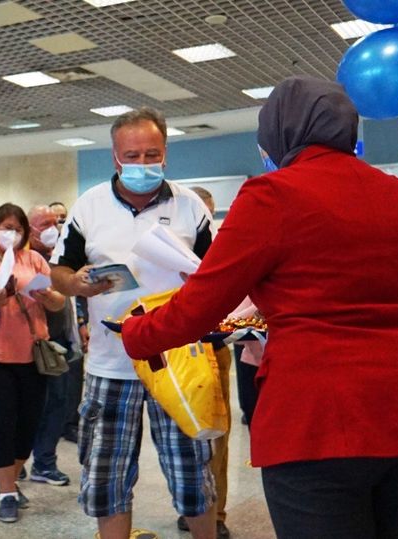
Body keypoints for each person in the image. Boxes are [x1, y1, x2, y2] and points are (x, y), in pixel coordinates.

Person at [118, 77, 398, 538]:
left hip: (317, 415)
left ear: (281, 129)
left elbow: (200, 306)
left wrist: (136, 333)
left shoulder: (272, 195)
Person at [50, 106, 218, 539]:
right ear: (115, 157)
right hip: (111, 364)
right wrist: (78, 284)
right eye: (133, 156)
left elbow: (219, 275)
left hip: (177, 361)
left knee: (192, 477)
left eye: (152, 154)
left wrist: (199, 282)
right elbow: (59, 272)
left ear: (165, 153)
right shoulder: (89, 206)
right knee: (107, 481)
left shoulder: (190, 206)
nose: (143, 164)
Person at [0, 203, 67, 523]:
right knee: (0, 426)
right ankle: (6, 492)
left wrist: (47, 297)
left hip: (31, 355)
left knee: (28, 426)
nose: (12, 234)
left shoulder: (34, 259)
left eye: (18, 229)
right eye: (5, 228)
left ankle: (11, 478)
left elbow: (58, 301)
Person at [178, 186, 233, 539]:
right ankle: (191, 506)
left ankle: (217, 513)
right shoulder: (174, 243)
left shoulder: (224, 243)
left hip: (215, 345)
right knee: (184, 434)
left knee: (217, 435)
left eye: (208, 213)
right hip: (180, 349)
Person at [26, 205, 82, 486]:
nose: (52, 228)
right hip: (30, 341)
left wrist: (80, 324)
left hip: (60, 339)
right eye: (44, 224)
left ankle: (44, 462)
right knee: (28, 405)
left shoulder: (60, 254)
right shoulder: (21, 259)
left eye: (55, 222)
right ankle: (17, 461)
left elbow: (74, 294)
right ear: (29, 230)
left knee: (58, 402)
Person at [48, 201, 89, 444]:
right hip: (48, 331)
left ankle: (71, 423)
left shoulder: (72, 253)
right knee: (54, 387)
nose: (58, 224)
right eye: (53, 220)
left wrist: (82, 323)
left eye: (63, 218)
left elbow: (78, 296)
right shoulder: (37, 256)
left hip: (71, 325)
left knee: (74, 378)